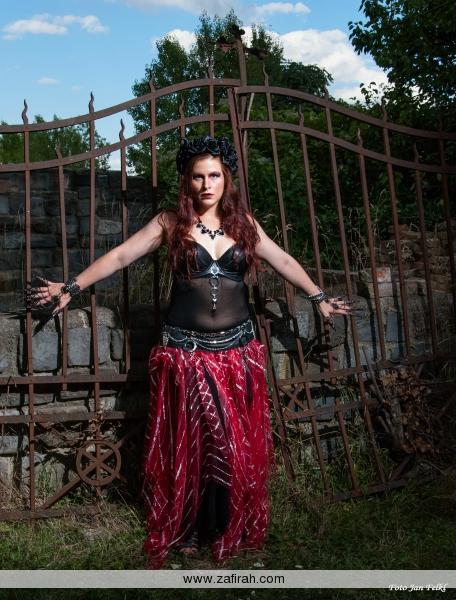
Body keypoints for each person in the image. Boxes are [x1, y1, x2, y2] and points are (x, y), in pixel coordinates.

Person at [26, 135, 351, 567]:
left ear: (226, 179)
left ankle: (223, 523)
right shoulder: (170, 223)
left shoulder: (244, 224)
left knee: (230, 442)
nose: (206, 184)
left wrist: (318, 297)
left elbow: (284, 261)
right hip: (187, 354)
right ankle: (189, 529)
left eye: (214, 175)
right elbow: (121, 256)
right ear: (187, 181)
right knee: (195, 443)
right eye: (198, 177)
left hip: (237, 352)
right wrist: (72, 287)